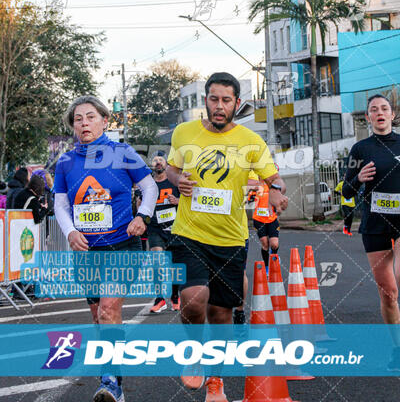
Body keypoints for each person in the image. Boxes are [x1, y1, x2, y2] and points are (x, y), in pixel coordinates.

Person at [167, 72, 288, 401]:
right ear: (205, 100)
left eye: (226, 100)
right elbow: (172, 168)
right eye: (213, 99)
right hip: (189, 233)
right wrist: (178, 180)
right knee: (193, 299)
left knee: (221, 313)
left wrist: (276, 193)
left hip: (231, 239)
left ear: (237, 103)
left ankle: (216, 384)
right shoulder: (184, 132)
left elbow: (273, 177)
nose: (219, 106)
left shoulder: (251, 141)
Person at [53, 95, 158, 402]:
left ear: (104, 120)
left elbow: (149, 187)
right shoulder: (66, 162)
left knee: (110, 308)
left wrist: (143, 216)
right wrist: (70, 231)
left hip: (121, 245)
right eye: (77, 119)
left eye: (89, 117)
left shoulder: (123, 153)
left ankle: (110, 382)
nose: (83, 123)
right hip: (86, 251)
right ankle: (113, 379)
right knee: (100, 316)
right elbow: (61, 204)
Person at [342, 94, 400, 370]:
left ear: (392, 114)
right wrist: (358, 179)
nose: (379, 112)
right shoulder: (360, 150)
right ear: (367, 117)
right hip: (375, 224)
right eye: (374, 109)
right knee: (388, 292)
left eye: (384, 108)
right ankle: (396, 348)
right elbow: (346, 191)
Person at [148, 153, 180, 313]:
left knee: (174, 264)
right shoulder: (148, 184)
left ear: (166, 164)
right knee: (157, 261)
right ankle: (160, 298)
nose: (158, 162)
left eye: (161, 160)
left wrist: (178, 201)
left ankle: (175, 296)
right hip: (155, 228)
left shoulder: (174, 181)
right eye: (155, 160)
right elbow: (141, 204)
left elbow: (190, 199)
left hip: (174, 228)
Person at [249, 170, 280, 275]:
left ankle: (274, 254)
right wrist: (250, 194)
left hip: (271, 219)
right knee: (265, 244)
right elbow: (248, 202)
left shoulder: (274, 186)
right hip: (259, 219)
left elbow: (278, 201)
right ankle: (267, 267)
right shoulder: (255, 186)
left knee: (274, 244)